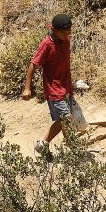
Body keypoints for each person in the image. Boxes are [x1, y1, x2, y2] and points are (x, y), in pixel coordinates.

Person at [22, 13, 84, 154]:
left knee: (64, 120)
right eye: (64, 32)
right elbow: (33, 64)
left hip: (66, 87)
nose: (68, 34)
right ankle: (67, 149)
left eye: (69, 31)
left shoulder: (66, 40)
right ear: (54, 30)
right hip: (54, 89)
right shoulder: (47, 44)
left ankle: (49, 145)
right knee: (66, 119)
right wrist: (27, 88)